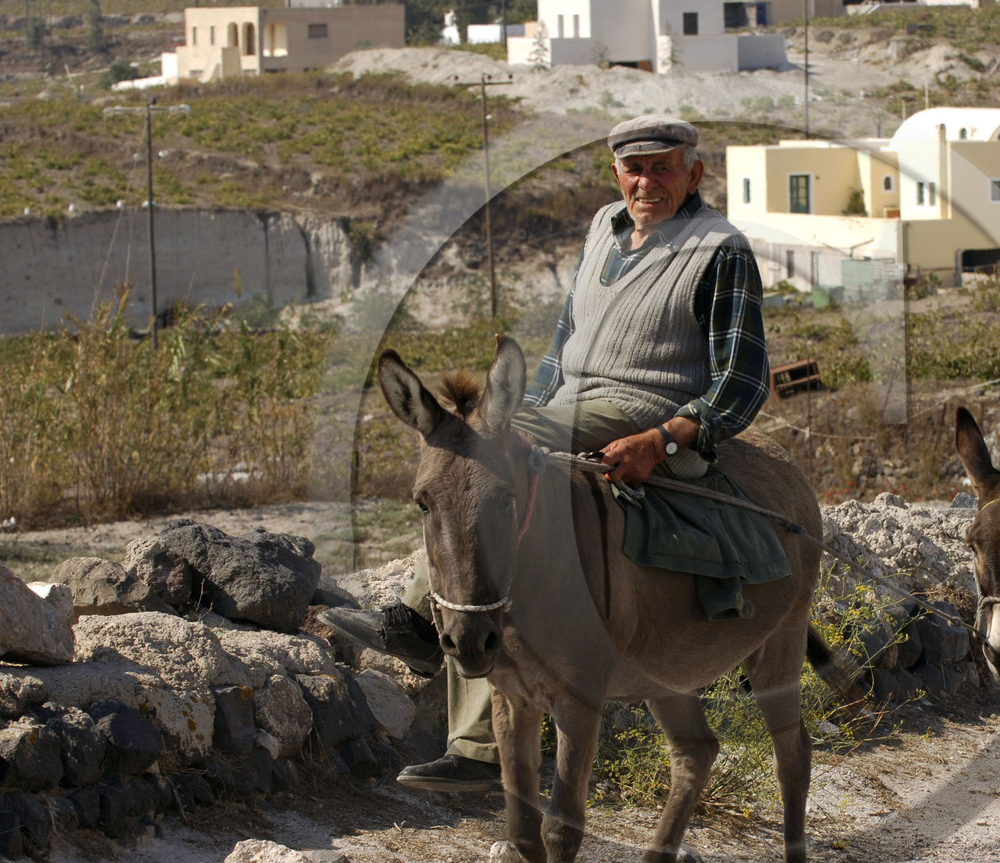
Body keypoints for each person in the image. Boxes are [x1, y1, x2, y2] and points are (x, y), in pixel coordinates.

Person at [321, 114, 771, 792]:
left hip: (642, 406)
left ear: (694, 173)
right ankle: (426, 626)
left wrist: (668, 436)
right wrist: (517, 412)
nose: (647, 181)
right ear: (616, 174)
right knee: (464, 461)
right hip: (565, 405)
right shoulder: (604, 228)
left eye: (663, 167)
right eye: (635, 169)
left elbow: (742, 378)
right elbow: (565, 338)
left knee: (496, 461)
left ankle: (431, 650)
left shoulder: (719, 248)